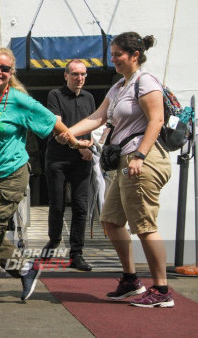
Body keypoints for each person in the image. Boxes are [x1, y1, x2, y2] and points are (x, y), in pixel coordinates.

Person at [0, 48, 91, 308]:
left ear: (11, 74)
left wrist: (75, 142)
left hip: (12, 173)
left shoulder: (20, 100)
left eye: (4, 68)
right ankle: (24, 268)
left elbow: (51, 120)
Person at [57, 32, 174, 307]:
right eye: (112, 54)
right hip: (124, 160)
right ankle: (131, 280)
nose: (113, 59)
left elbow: (156, 120)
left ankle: (162, 290)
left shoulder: (145, 82)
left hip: (141, 158)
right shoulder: (120, 87)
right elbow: (97, 117)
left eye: (118, 54)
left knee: (144, 225)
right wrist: (67, 132)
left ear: (135, 55)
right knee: (110, 220)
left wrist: (141, 156)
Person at [43, 59, 96, 272]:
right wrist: (76, 144)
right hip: (57, 159)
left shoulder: (90, 98)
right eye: (75, 74)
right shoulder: (55, 95)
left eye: (83, 74)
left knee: (81, 206)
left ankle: (76, 254)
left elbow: (93, 127)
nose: (79, 78)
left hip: (82, 159)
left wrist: (90, 145)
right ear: (66, 76)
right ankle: (54, 241)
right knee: (57, 205)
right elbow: (58, 128)